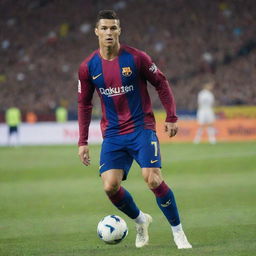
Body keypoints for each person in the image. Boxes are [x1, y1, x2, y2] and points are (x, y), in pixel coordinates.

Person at [77, 10, 192, 249]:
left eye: (113, 28)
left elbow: (161, 82)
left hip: (141, 128)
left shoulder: (136, 58)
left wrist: (171, 116)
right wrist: (82, 141)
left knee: (152, 178)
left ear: (119, 31)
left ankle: (178, 232)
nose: (109, 32)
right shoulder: (88, 67)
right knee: (110, 186)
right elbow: (84, 104)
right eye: (104, 28)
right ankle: (141, 220)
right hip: (113, 133)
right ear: (97, 32)